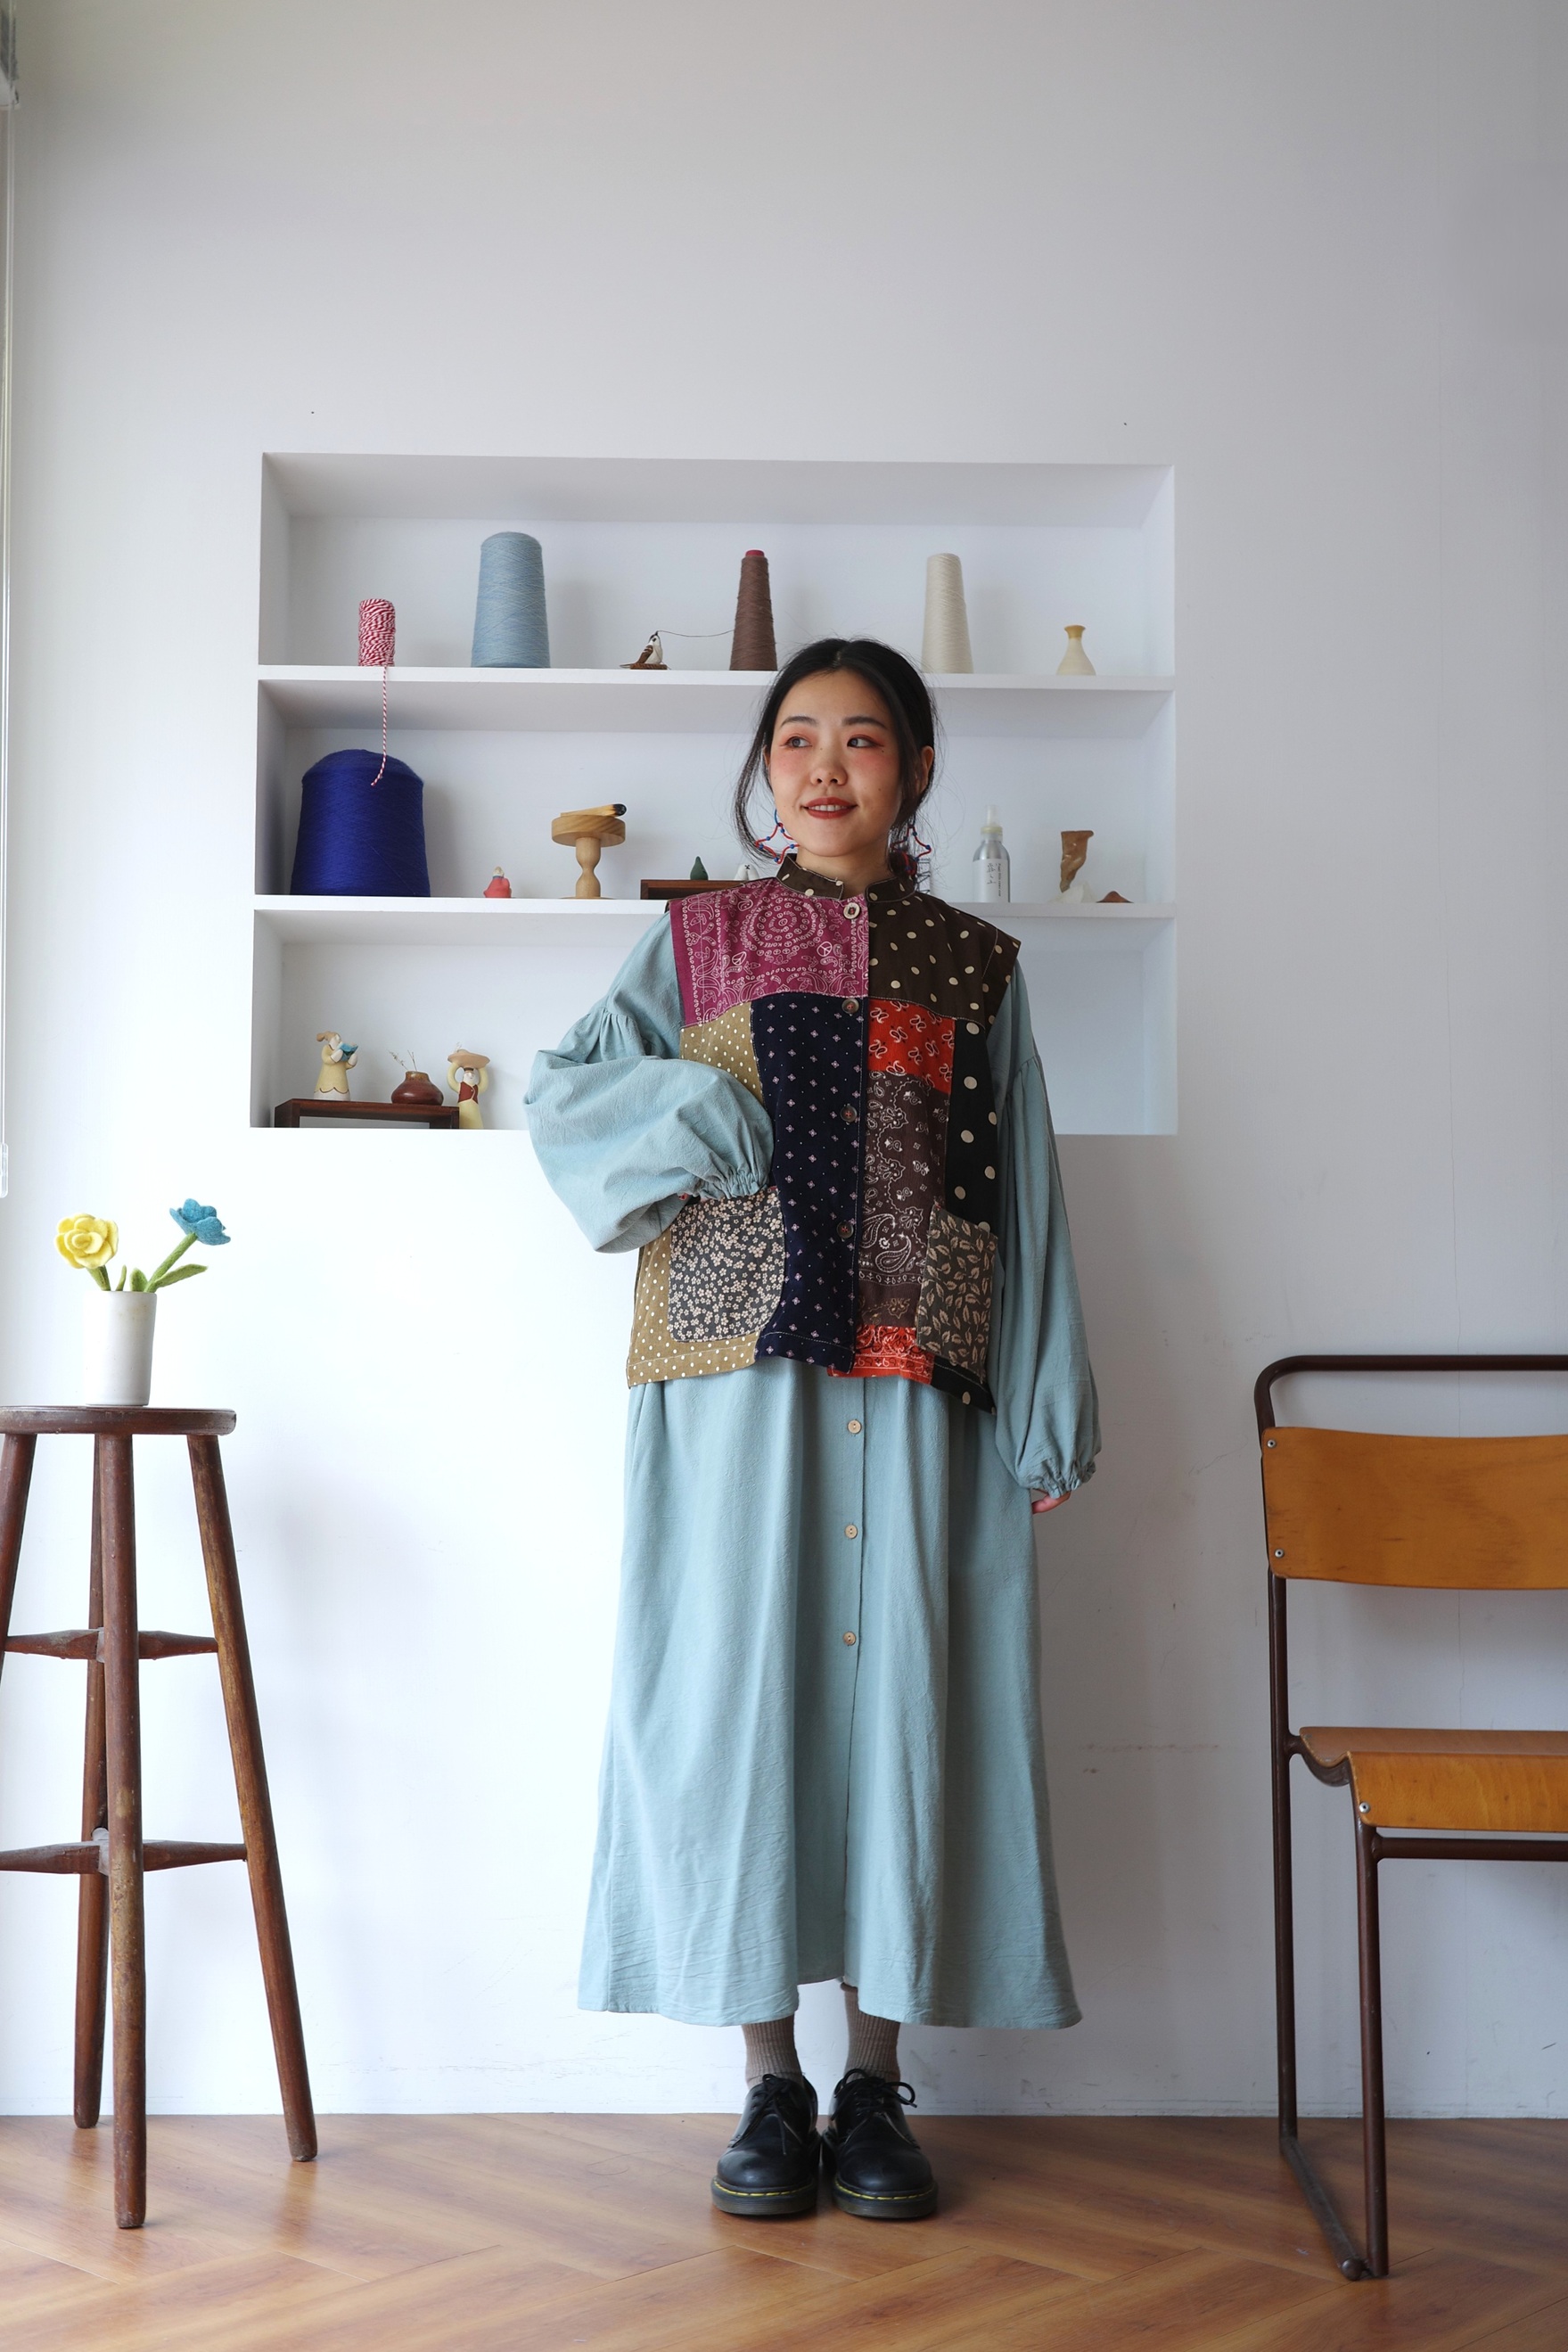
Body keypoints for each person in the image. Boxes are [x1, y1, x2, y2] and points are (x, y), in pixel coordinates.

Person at [526, 637, 1098, 2222]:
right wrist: (693, 1111)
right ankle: (770, 2082)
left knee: (911, 1709)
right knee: (744, 1708)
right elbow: (567, 1092)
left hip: (920, 1375)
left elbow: (1030, 1189)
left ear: (915, 768)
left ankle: (874, 2085)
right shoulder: (699, 939)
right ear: (765, 770)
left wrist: (1047, 1396)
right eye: (795, 739)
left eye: (860, 737)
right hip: (739, 1383)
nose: (825, 766)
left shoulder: (976, 962)